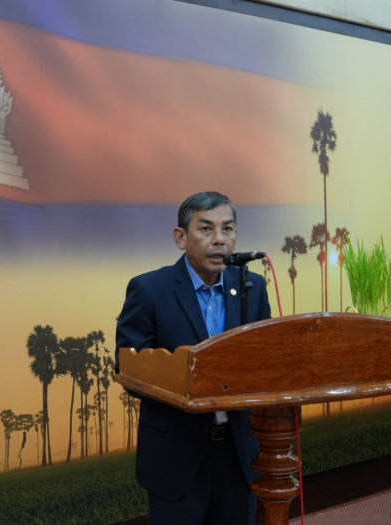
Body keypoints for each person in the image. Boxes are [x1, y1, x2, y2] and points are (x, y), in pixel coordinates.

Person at [116, 191, 271, 525]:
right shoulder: (149, 290)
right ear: (180, 237)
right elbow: (129, 370)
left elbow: (266, 359)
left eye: (227, 229)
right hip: (176, 455)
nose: (219, 239)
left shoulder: (252, 287)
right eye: (206, 229)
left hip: (238, 451)